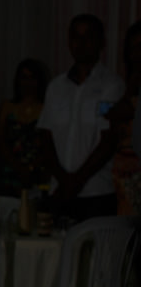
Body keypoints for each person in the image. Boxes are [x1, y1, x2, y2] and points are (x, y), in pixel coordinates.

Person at [38, 14, 125, 222]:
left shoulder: (112, 85)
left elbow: (109, 141)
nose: (81, 43)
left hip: (96, 193)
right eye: (75, 37)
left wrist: (75, 182)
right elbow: (45, 135)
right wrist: (63, 180)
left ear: (101, 42)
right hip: (59, 191)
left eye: (88, 36)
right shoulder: (56, 87)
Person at [0, 59, 48, 195]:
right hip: (7, 174)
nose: (28, 82)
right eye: (24, 77)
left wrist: (30, 168)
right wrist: (17, 167)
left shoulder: (47, 108)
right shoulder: (6, 107)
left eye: (32, 78)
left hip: (37, 174)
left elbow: (49, 145)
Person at [110, 21, 141, 214]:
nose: (137, 54)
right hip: (124, 171)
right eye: (133, 48)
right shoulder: (127, 85)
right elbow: (115, 115)